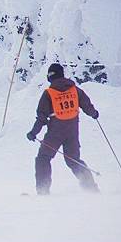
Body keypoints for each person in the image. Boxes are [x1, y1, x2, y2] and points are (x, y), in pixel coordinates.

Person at [26, 63, 100, 195]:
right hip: (72, 131)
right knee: (73, 160)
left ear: (49, 77)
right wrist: (93, 113)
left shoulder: (49, 93)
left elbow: (42, 118)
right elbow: (87, 105)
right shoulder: (75, 90)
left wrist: (33, 133)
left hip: (55, 132)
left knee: (43, 158)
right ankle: (91, 188)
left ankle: (43, 191)